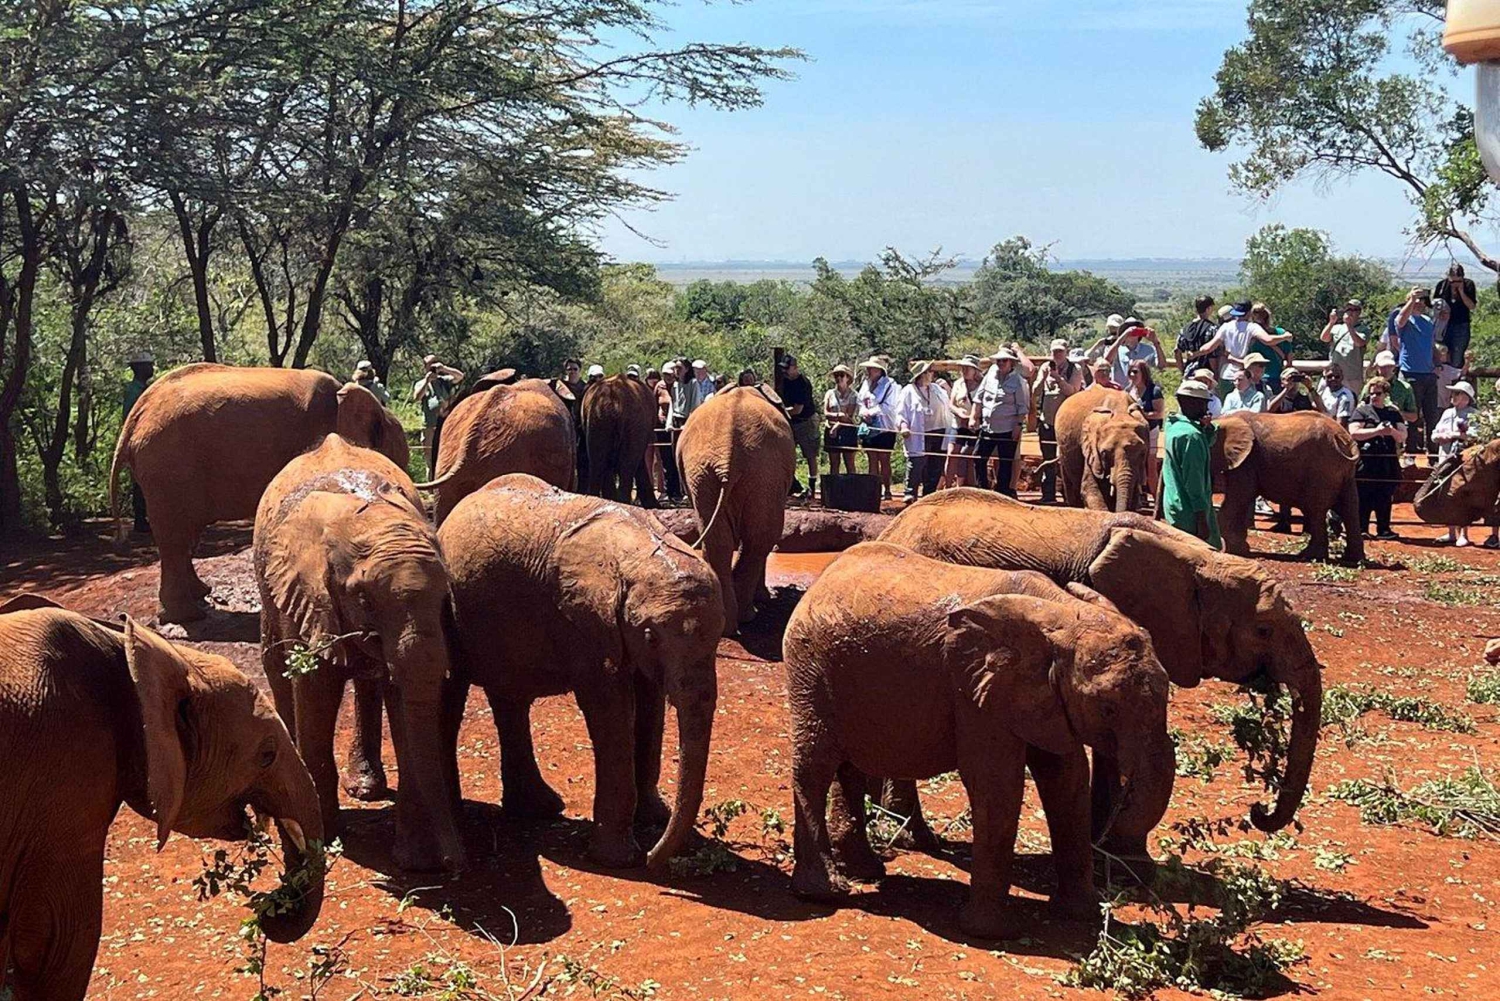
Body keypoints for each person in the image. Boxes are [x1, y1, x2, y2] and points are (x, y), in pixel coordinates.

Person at [1187, 300, 1293, 398]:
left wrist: (1195, 353)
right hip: (1244, 375)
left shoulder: (1226, 327)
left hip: (1227, 374)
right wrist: (1285, 337)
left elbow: (1209, 347)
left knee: (1227, 406)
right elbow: (1268, 340)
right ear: (1249, 313)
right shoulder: (1252, 327)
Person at [1161, 380, 1221, 547]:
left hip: (1174, 505)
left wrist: (1206, 428)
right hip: (1190, 512)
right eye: (1204, 404)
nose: (1207, 409)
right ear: (1192, 403)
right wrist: (1202, 520)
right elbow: (1194, 481)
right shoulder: (1191, 437)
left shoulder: (1172, 425)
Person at [1348, 377, 1406, 542]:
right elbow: (1354, 433)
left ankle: (1384, 529)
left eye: (1378, 393)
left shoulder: (1393, 413)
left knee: (1385, 496)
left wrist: (1391, 431)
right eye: (1371, 393)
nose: (1374, 396)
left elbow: (1402, 436)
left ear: (1385, 394)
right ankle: (1361, 529)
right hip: (1366, 462)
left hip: (1387, 462)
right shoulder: (1362, 411)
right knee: (1363, 495)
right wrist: (1377, 431)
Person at [1391, 286, 1441, 460]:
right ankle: (1410, 454)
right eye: (1415, 299)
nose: (1419, 303)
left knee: (1432, 416)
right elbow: (1400, 322)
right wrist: (1411, 300)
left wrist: (1437, 363)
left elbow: (1431, 345)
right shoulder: (1405, 319)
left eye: (1422, 300)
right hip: (1410, 373)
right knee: (1412, 416)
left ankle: (1433, 455)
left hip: (1429, 375)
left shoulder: (1428, 321)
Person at [1032, 339, 1084, 503]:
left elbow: (1073, 392)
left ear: (1066, 351)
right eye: (1054, 351)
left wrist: (1058, 378)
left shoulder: (1075, 369)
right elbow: (1035, 392)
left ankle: (1070, 495)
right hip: (1047, 422)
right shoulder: (1045, 367)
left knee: (1068, 459)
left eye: (1060, 351)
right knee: (1048, 459)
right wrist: (1044, 377)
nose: (1057, 354)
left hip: (1067, 425)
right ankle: (1048, 494)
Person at [973, 347, 1029, 497]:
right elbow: (979, 398)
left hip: (1007, 428)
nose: (1001, 363)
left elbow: (1023, 406)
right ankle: (982, 490)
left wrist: (1018, 426)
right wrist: (974, 416)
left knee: (1005, 463)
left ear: (1011, 362)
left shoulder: (1018, 380)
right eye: (999, 360)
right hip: (987, 427)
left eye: (1004, 360)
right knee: (978, 457)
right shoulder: (990, 374)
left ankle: (1002, 493)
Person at [1432, 380, 1480, 545]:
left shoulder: (1474, 414)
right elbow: (1434, 434)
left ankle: (1464, 534)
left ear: (1466, 398)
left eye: (1457, 393)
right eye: (1453, 393)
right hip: (1444, 459)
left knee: (1463, 496)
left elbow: (1475, 435)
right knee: (1446, 494)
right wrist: (1440, 436)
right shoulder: (1447, 413)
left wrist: (1455, 435)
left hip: (1464, 461)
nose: (1453, 396)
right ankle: (1451, 532)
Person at [895, 362, 948, 501]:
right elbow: (901, 412)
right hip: (919, 433)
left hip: (939, 431)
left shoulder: (937, 388)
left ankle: (929, 495)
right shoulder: (908, 391)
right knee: (917, 463)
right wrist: (904, 427)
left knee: (936, 464)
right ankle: (910, 493)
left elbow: (948, 405)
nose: (932, 374)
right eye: (929, 371)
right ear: (921, 375)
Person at [412, 354, 464, 476]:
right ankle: (430, 483)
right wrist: (427, 381)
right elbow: (417, 397)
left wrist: (444, 368)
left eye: (434, 363)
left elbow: (460, 376)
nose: (432, 367)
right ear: (425, 367)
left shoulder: (444, 381)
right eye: (429, 365)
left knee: (447, 457)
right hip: (430, 426)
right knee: (430, 460)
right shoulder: (421, 383)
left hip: (446, 426)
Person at [856, 357, 899, 500]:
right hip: (869, 427)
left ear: (880, 370)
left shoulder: (890, 385)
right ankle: (873, 491)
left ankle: (887, 490)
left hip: (885, 427)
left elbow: (889, 406)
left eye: (872, 368)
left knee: (884, 459)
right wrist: (863, 413)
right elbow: (860, 401)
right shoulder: (865, 383)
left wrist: (871, 413)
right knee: (872, 458)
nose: (869, 370)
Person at [779, 355, 820, 499]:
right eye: (783, 368)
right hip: (790, 423)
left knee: (810, 454)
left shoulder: (803, 383)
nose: (784, 371)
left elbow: (797, 410)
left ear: (795, 368)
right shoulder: (783, 381)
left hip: (806, 422)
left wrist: (779, 411)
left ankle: (812, 487)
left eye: (787, 368)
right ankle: (792, 485)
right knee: (787, 453)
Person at [123, 350, 155, 533]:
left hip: (147, 441)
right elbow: (130, 419)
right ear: (139, 368)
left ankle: (147, 517)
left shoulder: (146, 390)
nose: (152, 368)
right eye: (148, 365)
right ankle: (140, 520)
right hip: (138, 441)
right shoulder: (133, 392)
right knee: (139, 481)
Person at [1126, 359, 1164, 503]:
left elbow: (1160, 413)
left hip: (1151, 431)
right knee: (1135, 465)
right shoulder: (1129, 391)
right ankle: (1139, 497)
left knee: (1150, 466)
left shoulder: (1154, 391)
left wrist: (1142, 413)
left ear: (1144, 373)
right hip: (1134, 433)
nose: (1132, 375)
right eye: (1130, 372)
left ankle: (1157, 499)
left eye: (1135, 372)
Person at [943, 354, 984, 486]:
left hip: (975, 426)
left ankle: (969, 486)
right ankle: (948, 487)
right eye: (963, 367)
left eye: (968, 368)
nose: (964, 370)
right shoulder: (958, 384)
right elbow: (951, 404)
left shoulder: (983, 385)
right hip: (958, 424)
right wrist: (959, 412)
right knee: (952, 454)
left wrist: (974, 418)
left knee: (969, 456)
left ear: (975, 370)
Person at [1435, 263, 1477, 369]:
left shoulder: (1468, 284)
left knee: (1456, 358)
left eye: (1458, 281)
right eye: (1452, 282)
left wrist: (1461, 292)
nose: (1455, 284)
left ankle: (1455, 375)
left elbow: (1471, 306)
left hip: (1460, 325)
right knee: (1441, 354)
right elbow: (1434, 304)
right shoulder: (1442, 285)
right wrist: (1439, 313)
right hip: (1444, 326)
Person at [823, 364, 860, 476]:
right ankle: (834, 486)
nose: (838, 378)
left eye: (841, 375)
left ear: (847, 377)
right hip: (830, 429)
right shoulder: (830, 393)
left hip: (848, 431)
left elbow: (849, 416)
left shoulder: (854, 395)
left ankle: (852, 485)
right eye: (836, 375)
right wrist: (839, 415)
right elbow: (826, 413)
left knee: (849, 462)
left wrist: (836, 425)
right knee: (834, 463)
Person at [1105, 318, 1165, 388]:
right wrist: (1122, 338)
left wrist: (1155, 342)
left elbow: (1162, 366)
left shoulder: (1149, 349)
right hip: (1120, 391)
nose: (1132, 332)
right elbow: (1106, 361)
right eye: (1128, 329)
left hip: (1142, 391)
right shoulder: (1116, 350)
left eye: (1137, 330)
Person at [1321, 299, 1369, 384]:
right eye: (1348, 309)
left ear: (1359, 312)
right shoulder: (1337, 328)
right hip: (1335, 376)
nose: (1350, 312)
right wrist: (1331, 322)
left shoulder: (1364, 329)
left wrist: (1349, 326)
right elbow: (1324, 338)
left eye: (1354, 310)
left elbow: (1359, 343)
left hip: (1353, 377)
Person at [1248, 304, 1290, 392]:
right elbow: (1289, 359)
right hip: (1278, 377)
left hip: (1256, 378)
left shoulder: (1251, 336)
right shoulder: (1281, 333)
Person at [1175, 294, 1221, 374]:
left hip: (1189, 372)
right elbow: (1212, 355)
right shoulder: (1212, 329)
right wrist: (1216, 374)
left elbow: (1177, 351)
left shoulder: (1185, 329)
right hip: (1207, 373)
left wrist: (1182, 369)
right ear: (1208, 309)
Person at [646, 367, 671, 496]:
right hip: (647, 428)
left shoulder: (661, 388)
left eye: (655, 377)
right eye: (650, 377)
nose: (653, 380)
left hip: (659, 427)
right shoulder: (643, 391)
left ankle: (661, 488)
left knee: (660, 459)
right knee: (648, 458)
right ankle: (649, 487)